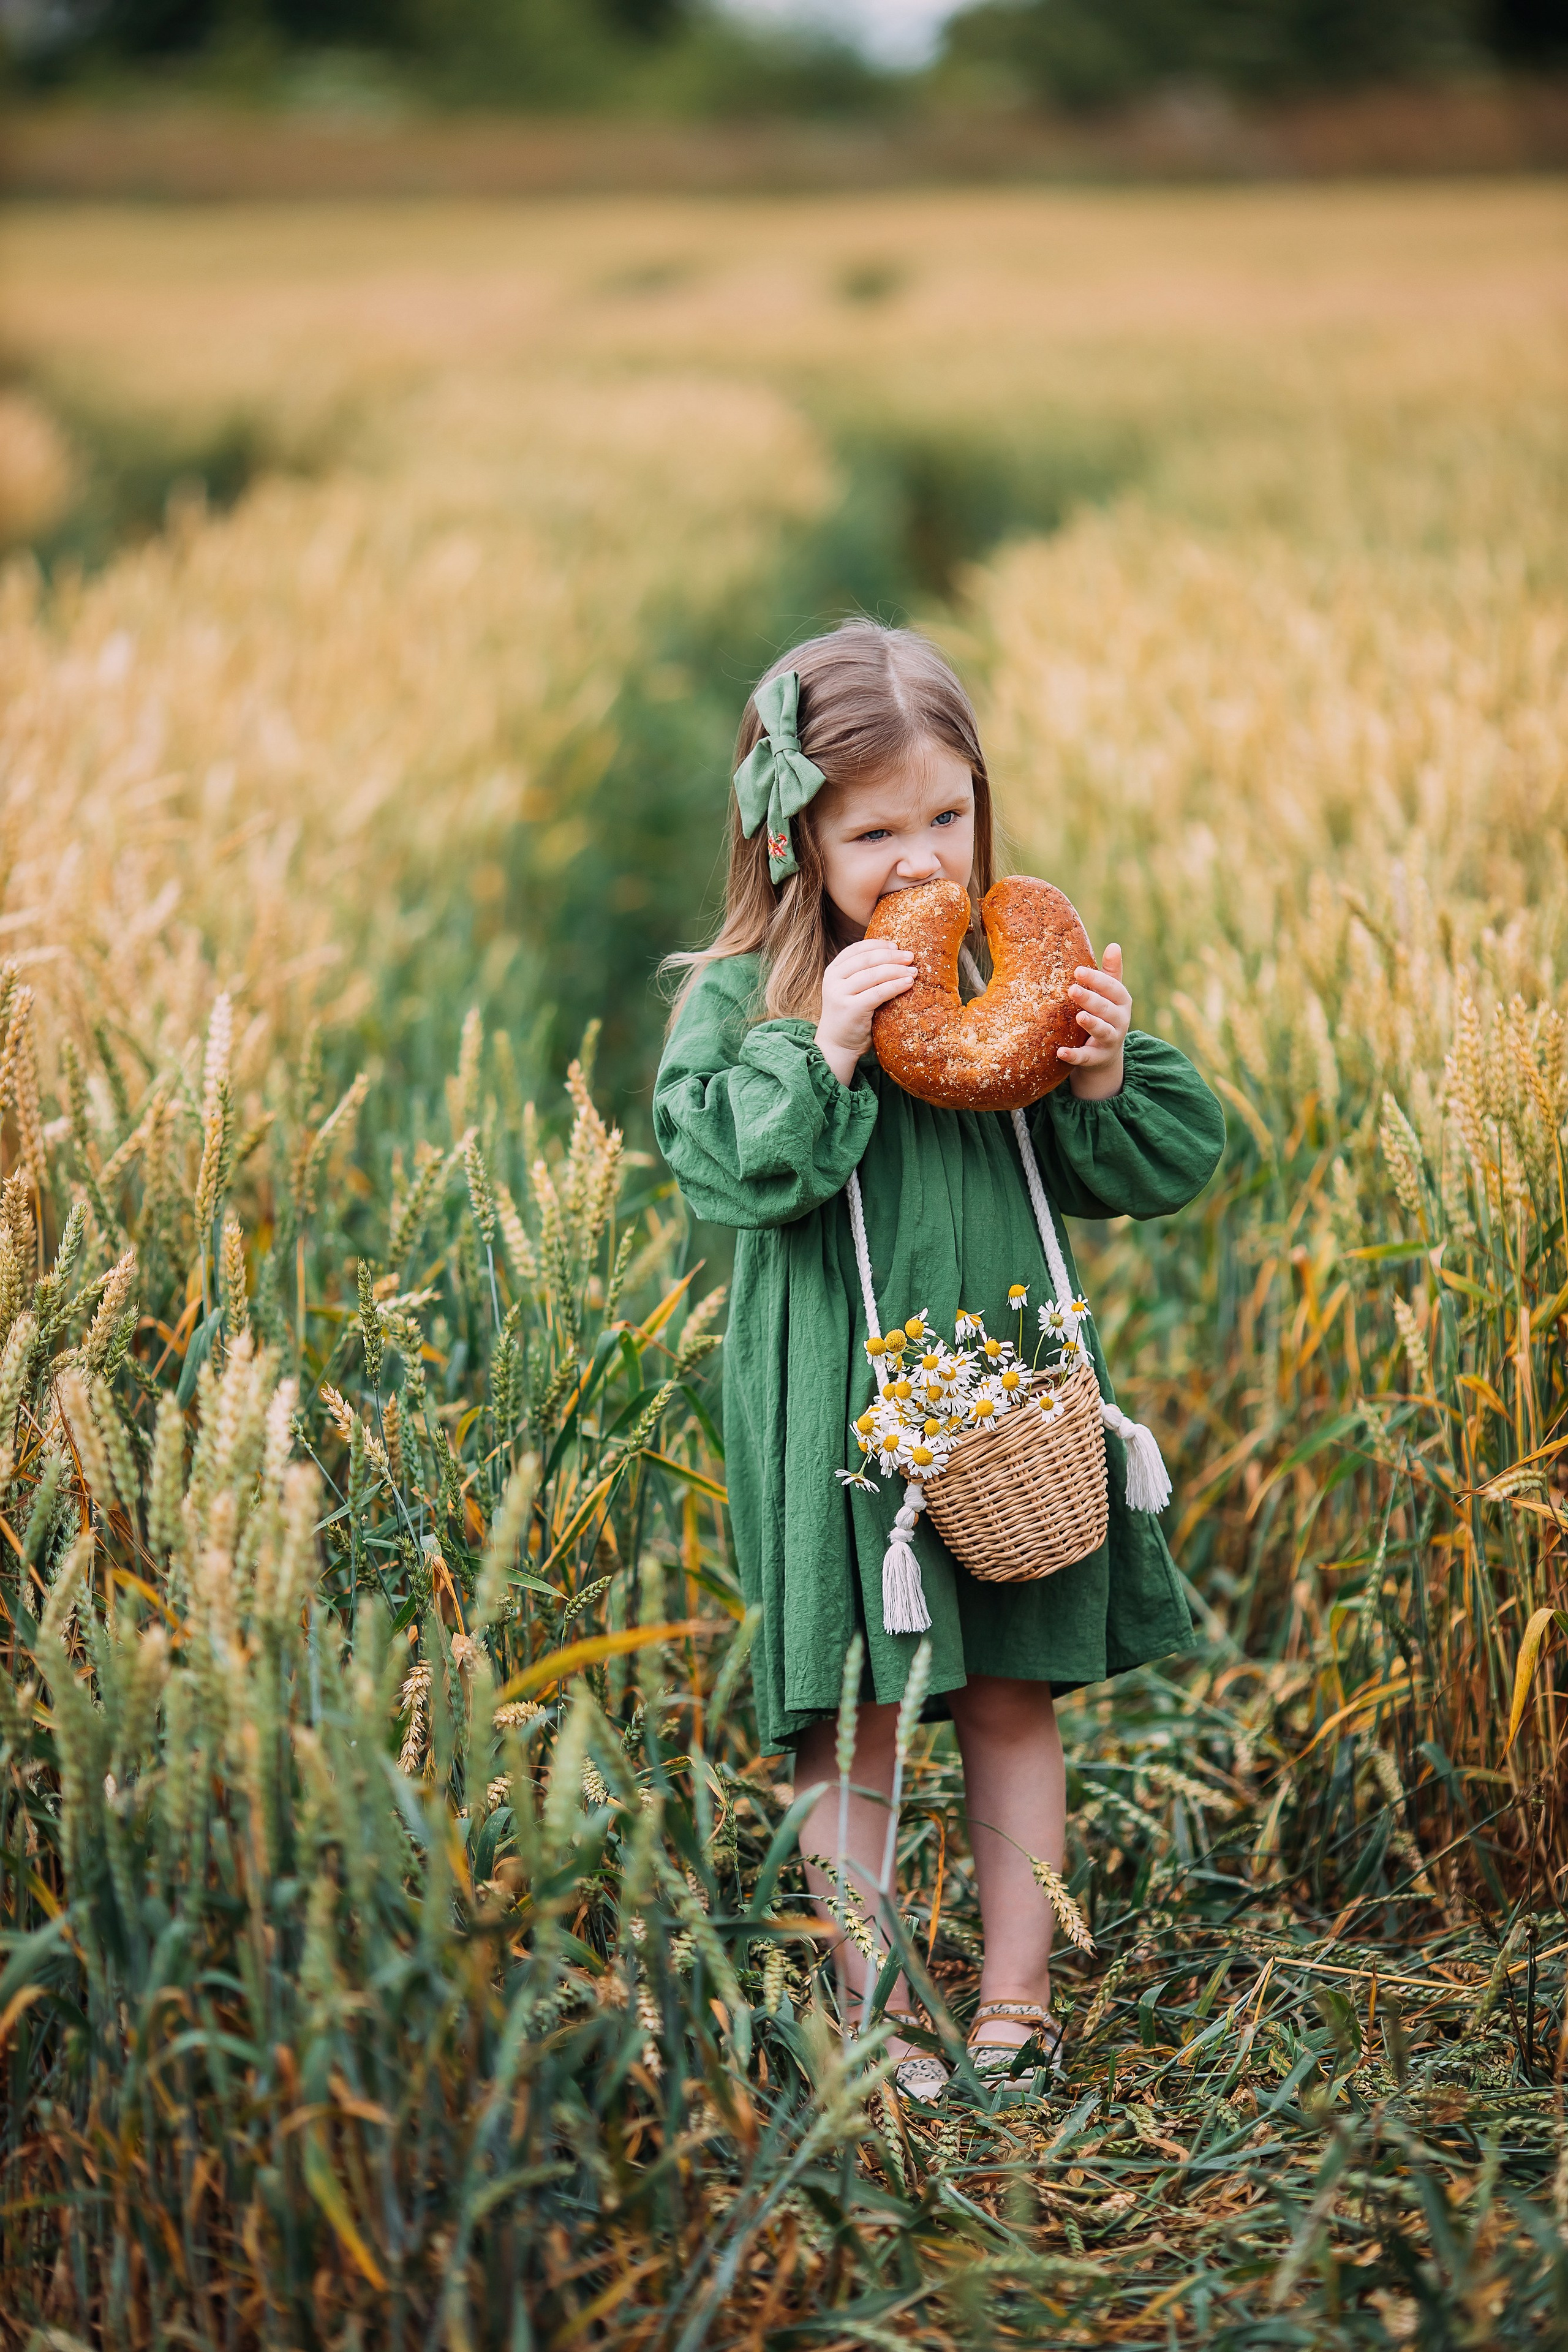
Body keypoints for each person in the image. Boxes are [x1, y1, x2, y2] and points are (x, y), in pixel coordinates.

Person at [654, 620, 1224, 2102]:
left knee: (1007, 1689)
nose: (920, 858)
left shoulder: (998, 985)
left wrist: (1097, 1068)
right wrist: (822, 1051)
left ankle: (1013, 2000)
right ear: (792, 837)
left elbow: (1156, 1162)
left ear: (983, 804)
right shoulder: (746, 1002)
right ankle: (880, 2009)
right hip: (833, 1397)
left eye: (948, 817)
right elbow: (718, 1167)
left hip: (1004, 1381)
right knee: (848, 1708)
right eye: (875, 830)